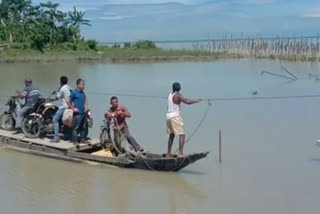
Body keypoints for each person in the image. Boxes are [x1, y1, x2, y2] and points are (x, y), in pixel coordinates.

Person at [166, 82, 202, 157]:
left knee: (171, 135)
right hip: (175, 117)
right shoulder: (178, 95)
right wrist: (197, 100)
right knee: (182, 134)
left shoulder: (170, 95)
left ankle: (168, 153)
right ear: (179, 89)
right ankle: (180, 153)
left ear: (172, 88)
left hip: (168, 117)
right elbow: (187, 101)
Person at [66, 79, 89, 145]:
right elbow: (68, 100)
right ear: (78, 85)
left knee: (83, 127)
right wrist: (73, 108)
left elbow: (85, 99)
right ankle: (75, 141)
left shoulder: (82, 92)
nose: (84, 86)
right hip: (77, 113)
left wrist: (86, 106)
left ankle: (82, 139)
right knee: (75, 127)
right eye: (83, 84)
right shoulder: (74, 92)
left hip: (83, 112)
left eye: (84, 84)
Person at [50, 76, 72, 143]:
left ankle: (56, 137)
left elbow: (57, 97)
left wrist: (50, 99)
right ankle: (67, 134)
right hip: (70, 106)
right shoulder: (69, 87)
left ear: (61, 82)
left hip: (64, 107)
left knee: (55, 120)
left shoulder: (62, 88)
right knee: (65, 121)